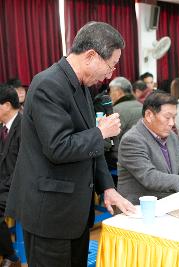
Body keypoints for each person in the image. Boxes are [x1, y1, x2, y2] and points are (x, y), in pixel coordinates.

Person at [5, 22, 136, 267]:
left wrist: (107, 187)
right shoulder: (48, 84)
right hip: (50, 213)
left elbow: (91, 149)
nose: (109, 75)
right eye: (110, 66)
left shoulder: (81, 86)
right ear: (90, 56)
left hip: (74, 212)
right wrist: (100, 132)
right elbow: (58, 147)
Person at [0, 84, 21, 267]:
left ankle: (11, 256)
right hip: (4, 185)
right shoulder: (2, 128)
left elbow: (24, 168)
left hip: (18, 187)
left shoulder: (25, 127)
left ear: (6, 105)